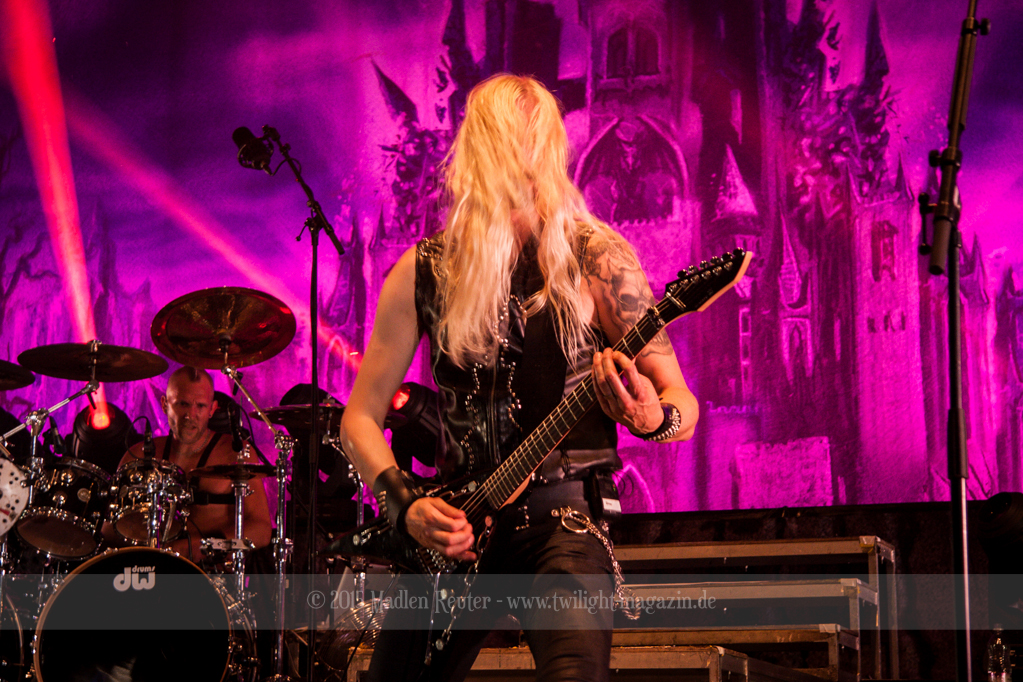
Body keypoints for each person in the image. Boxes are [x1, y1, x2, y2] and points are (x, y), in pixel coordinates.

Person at [339, 74, 698, 682]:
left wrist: (651, 417)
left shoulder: (598, 258)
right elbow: (359, 418)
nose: (522, 151)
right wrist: (407, 507)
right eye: (508, 134)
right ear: (478, 146)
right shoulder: (424, 270)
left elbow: (682, 404)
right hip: (457, 524)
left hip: (562, 517)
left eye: (534, 135)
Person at [103, 366, 272, 563]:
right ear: (165, 404)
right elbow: (108, 530)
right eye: (182, 404)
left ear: (212, 409)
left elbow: (261, 532)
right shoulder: (137, 455)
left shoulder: (237, 453)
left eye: (200, 406)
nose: (190, 415)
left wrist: (205, 547)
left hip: (211, 572)